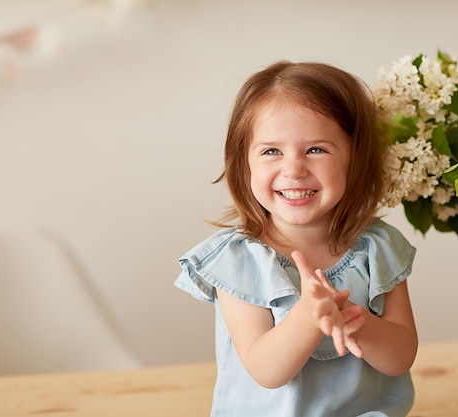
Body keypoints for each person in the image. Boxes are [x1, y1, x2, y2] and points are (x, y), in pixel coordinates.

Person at [175, 61, 418, 417]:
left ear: (356, 159)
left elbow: (400, 358)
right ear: (245, 164)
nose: (293, 169)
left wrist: (354, 319)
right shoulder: (238, 261)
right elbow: (266, 371)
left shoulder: (377, 248)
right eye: (271, 151)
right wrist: (307, 316)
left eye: (316, 149)